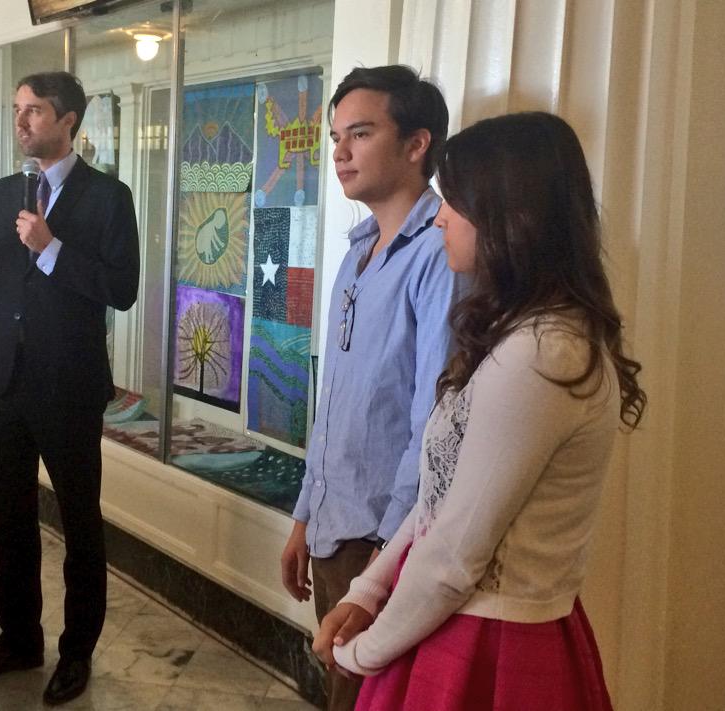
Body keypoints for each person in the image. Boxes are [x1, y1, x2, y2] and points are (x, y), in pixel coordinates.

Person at [311, 111, 647, 710]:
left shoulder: (543, 352)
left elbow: (455, 553)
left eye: (456, 203)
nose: (441, 216)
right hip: (448, 619)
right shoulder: (520, 334)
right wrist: (367, 591)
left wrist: (364, 654)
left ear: (510, 218)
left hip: (492, 640)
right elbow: (439, 500)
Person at [0, 71, 139, 705]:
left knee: (79, 524)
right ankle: (18, 640)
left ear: (68, 121)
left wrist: (52, 247)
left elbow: (122, 290)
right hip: (4, 384)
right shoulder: (2, 193)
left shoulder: (108, 197)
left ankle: (76, 652)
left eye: (34, 110)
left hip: (68, 388)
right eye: (17, 109)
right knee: (8, 520)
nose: (21, 121)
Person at [279, 65, 457, 711]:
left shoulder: (439, 253)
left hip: (382, 537)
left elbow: (432, 420)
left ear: (416, 144)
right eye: (335, 137)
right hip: (334, 525)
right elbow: (335, 400)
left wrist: (385, 554)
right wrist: (304, 514)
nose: (340, 152)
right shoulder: (358, 251)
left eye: (360, 133)